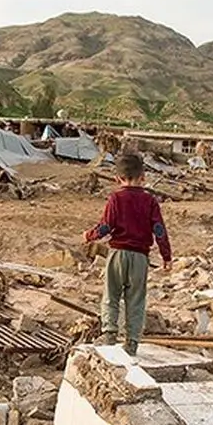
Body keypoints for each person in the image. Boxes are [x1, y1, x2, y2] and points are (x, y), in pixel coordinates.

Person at [83, 151, 172, 356]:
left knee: (111, 295)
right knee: (136, 300)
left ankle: (109, 334)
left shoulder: (116, 198)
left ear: (117, 178)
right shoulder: (150, 201)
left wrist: (89, 236)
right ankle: (131, 342)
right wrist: (166, 256)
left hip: (118, 254)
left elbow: (106, 227)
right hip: (140, 257)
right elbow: (159, 230)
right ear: (143, 177)